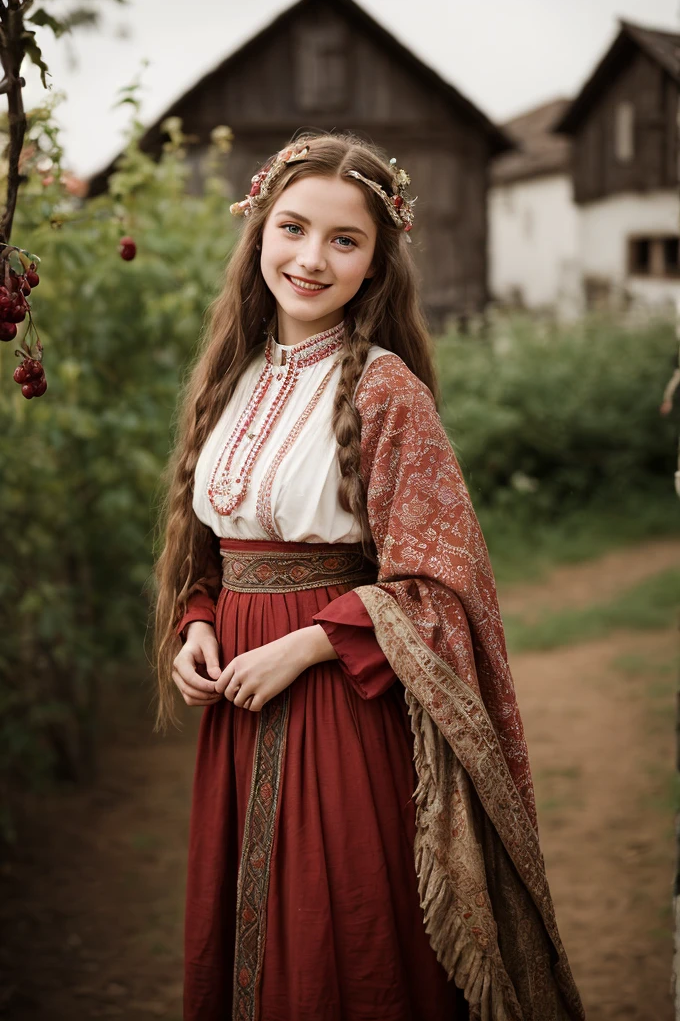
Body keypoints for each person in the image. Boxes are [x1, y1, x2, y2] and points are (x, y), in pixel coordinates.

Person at [152, 133, 585, 1021]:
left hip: (338, 708)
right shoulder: (228, 376)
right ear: (258, 232)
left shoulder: (385, 390)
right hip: (235, 704)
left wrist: (302, 648)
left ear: (378, 261)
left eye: (345, 240)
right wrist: (197, 623)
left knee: (336, 941)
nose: (311, 259)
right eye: (293, 228)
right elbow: (211, 541)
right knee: (246, 937)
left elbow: (438, 589)